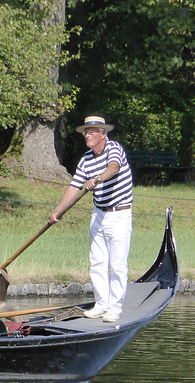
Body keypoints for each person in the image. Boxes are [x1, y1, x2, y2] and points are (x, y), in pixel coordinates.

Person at [48, 116, 133, 322]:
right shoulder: (86, 159)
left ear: (103, 134)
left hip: (120, 214)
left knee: (118, 264)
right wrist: (57, 212)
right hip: (99, 213)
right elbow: (73, 187)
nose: (87, 135)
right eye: (86, 131)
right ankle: (101, 304)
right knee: (97, 262)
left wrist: (97, 179)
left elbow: (113, 168)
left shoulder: (114, 148)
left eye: (92, 131)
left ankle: (115, 308)